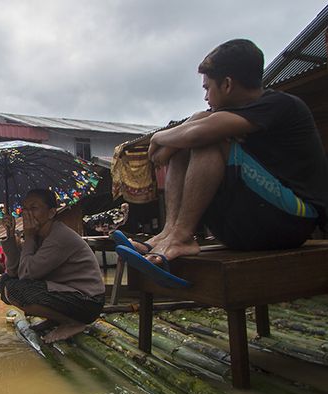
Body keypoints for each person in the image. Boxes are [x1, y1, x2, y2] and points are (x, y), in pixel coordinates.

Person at [124, 39, 328, 270]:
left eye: (207, 87)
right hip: (253, 223)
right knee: (196, 131)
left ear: (228, 84)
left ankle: (181, 236)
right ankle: (169, 232)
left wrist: (157, 138)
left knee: (207, 140)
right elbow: (196, 126)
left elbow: (196, 135)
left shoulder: (280, 105)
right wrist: (189, 127)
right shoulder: (224, 116)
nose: (205, 96)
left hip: (291, 221)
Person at [0, 189, 105, 343]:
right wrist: (10, 235)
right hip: (64, 294)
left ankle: (72, 322)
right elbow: (14, 271)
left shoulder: (59, 235)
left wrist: (28, 237)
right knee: (4, 282)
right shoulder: (38, 235)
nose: (27, 214)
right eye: (25, 209)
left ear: (51, 212)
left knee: (16, 290)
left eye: (34, 208)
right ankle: (57, 319)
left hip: (87, 301)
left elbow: (26, 274)